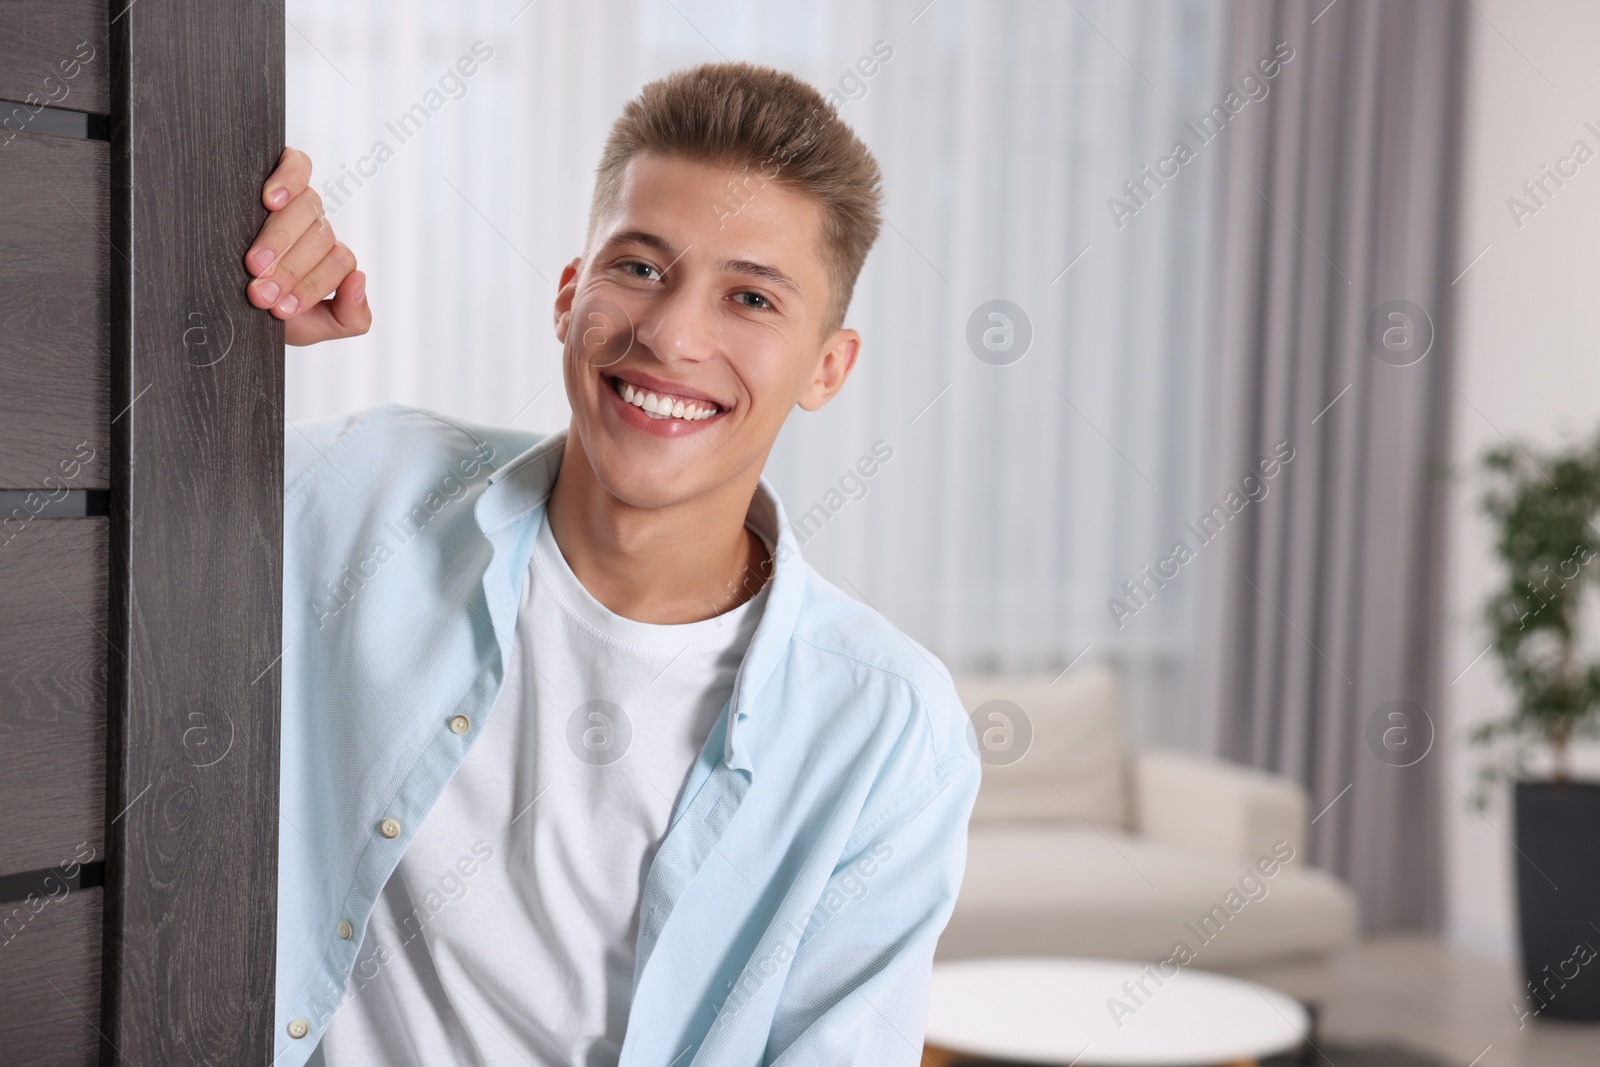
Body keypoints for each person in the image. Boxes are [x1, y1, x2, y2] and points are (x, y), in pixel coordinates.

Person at [250, 61, 980, 1066]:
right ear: (569, 294)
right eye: (638, 267)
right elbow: (87, 508)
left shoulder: (888, 729)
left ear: (827, 366)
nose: (672, 334)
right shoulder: (359, 491)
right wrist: (217, 309)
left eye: (752, 299)